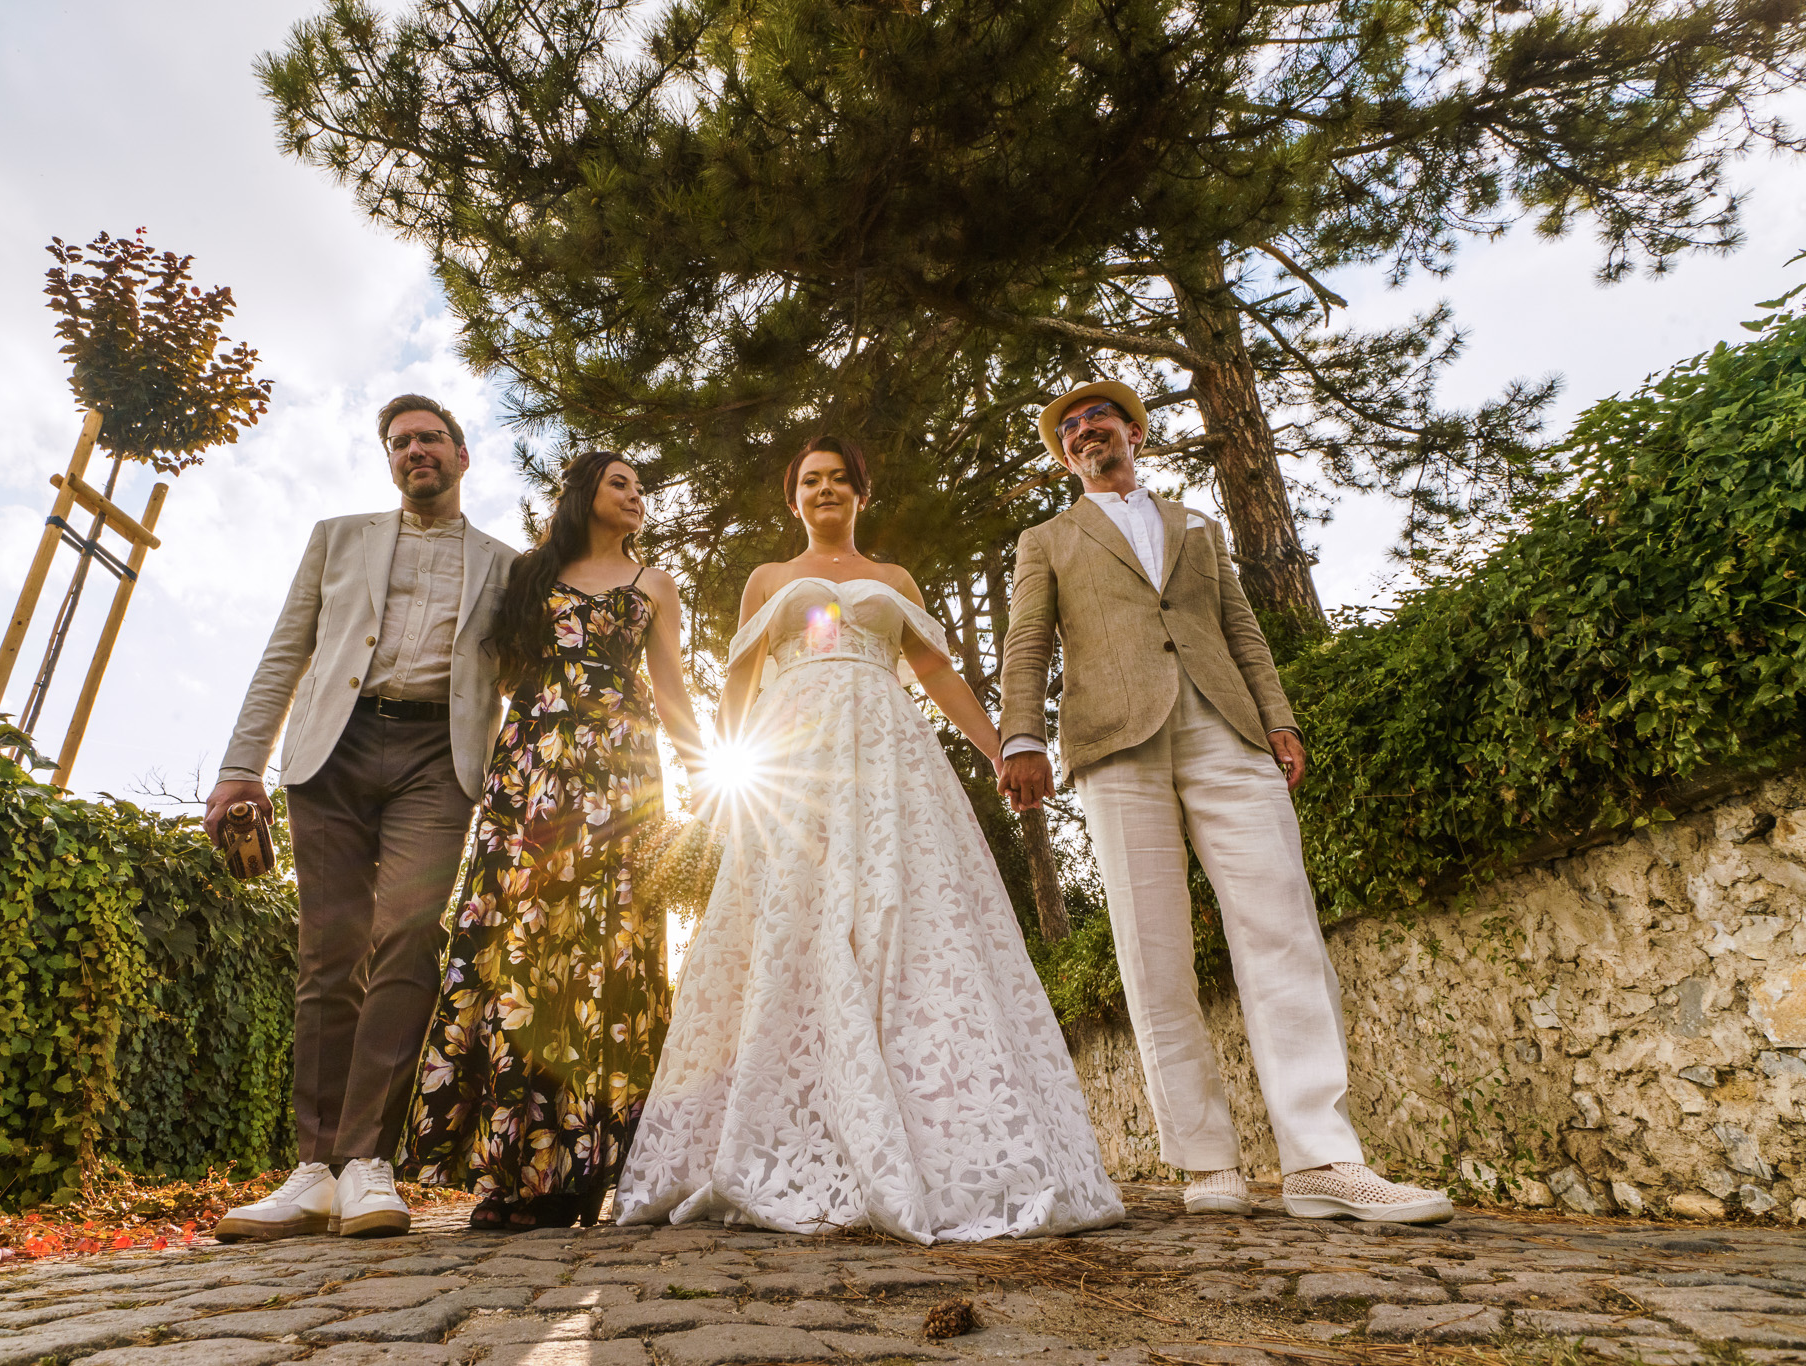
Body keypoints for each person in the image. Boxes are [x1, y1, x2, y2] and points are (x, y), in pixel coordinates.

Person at [614, 436, 1126, 1244]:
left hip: (891, 759)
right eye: (810, 481)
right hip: (796, 758)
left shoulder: (894, 580)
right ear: (794, 499)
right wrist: (718, 782)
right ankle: (789, 1138)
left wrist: (1000, 747)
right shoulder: (769, 579)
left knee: (908, 920)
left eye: (839, 479)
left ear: (861, 492)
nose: (825, 489)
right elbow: (738, 684)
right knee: (797, 921)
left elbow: (938, 673)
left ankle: (937, 1141)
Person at [996, 380, 1453, 1224]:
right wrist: (1021, 736)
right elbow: (1027, 639)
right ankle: (1206, 1161)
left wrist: (1278, 718)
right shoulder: (1047, 539)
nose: (1084, 430)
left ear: (1134, 432)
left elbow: (1242, 629)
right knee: (1153, 948)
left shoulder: (1197, 526)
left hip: (1226, 727)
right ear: (1063, 457)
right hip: (1115, 740)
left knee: (1283, 926)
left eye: (1098, 418)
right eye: (1069, 429)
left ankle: (1322, 1159)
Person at [206, 394, 517, 1240]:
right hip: (331, 754)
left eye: (431, 438)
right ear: (391, 460)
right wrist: (240, 768)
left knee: (408, 941)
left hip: (438, 759)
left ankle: (366, 1163)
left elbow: (526, 679)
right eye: (400, 442)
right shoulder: (337, 537)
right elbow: (285, 651)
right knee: (328, 951)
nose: (416, 450)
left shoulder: (507, 564)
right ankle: (312, 1171)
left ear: (462, 455)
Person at [402, 450, 706, 1232]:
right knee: (521, 954)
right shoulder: (529, 574)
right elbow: (497, 677)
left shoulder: (655, 584)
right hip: (532, 775)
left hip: (623, 783)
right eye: (620, 483)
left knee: (607, 960)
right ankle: (513, 1172)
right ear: (583, 493)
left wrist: (704, 780)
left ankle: (586, 1172)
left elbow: (671, 686)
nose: (636, 496)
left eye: (642, 487)